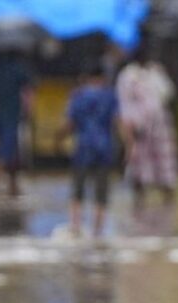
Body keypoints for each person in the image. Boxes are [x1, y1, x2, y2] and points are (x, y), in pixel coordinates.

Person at [57, 61, 122, 238]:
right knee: (101, 191)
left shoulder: (78, 95)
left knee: (77, 189)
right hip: (104, 147)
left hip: (83, 147)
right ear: (103, 77)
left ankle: (75, 227)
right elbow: (118, 122)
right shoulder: (110, 96)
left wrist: (58, 138)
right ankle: (97, 231)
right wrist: (129, 144)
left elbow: (70, 123)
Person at [116, 46, 178, 209]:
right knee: (138, 165)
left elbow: (167, 93)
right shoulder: (128, 76)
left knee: (165, 163)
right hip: (138, 126)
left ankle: (168, 204)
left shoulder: (156, 72)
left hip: (160, 125)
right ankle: (139, 203)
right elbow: (125, 103)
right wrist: (130, 127)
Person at [0, 50, 33, 198]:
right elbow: (27, 93)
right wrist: (28, 111)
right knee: (5, 154)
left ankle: (12, 187)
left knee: (11, 152)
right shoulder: (20, 70)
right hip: (13, 115)